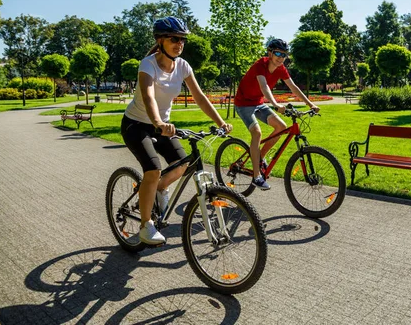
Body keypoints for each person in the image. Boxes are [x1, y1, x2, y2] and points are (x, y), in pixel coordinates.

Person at [121, 16, 232, 245]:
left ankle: (159, 189)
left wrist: (221, 122)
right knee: (152, 169)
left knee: (183, 164)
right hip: (137, 124)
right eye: (174, 39)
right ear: (160, 40)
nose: (179, 43)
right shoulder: (148, 64)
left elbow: (200, 97)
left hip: (164, 127)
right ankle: (146, 226)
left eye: (182, 39)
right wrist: (159, 122)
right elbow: (148, 96)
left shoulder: (182, 66)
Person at [233, 38, 319, 190]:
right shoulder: (260, 65)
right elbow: (264, 85)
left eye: (284, 55)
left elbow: (293, 87)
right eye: (278, 53)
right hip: (244, 103)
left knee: (281, 127)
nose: (281, 57)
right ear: (270, 53)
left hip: (258, 103)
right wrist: (275, 104)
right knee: (257, 133)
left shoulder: (281, 68)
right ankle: (256, 176)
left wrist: (310, 103)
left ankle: (260, 157)